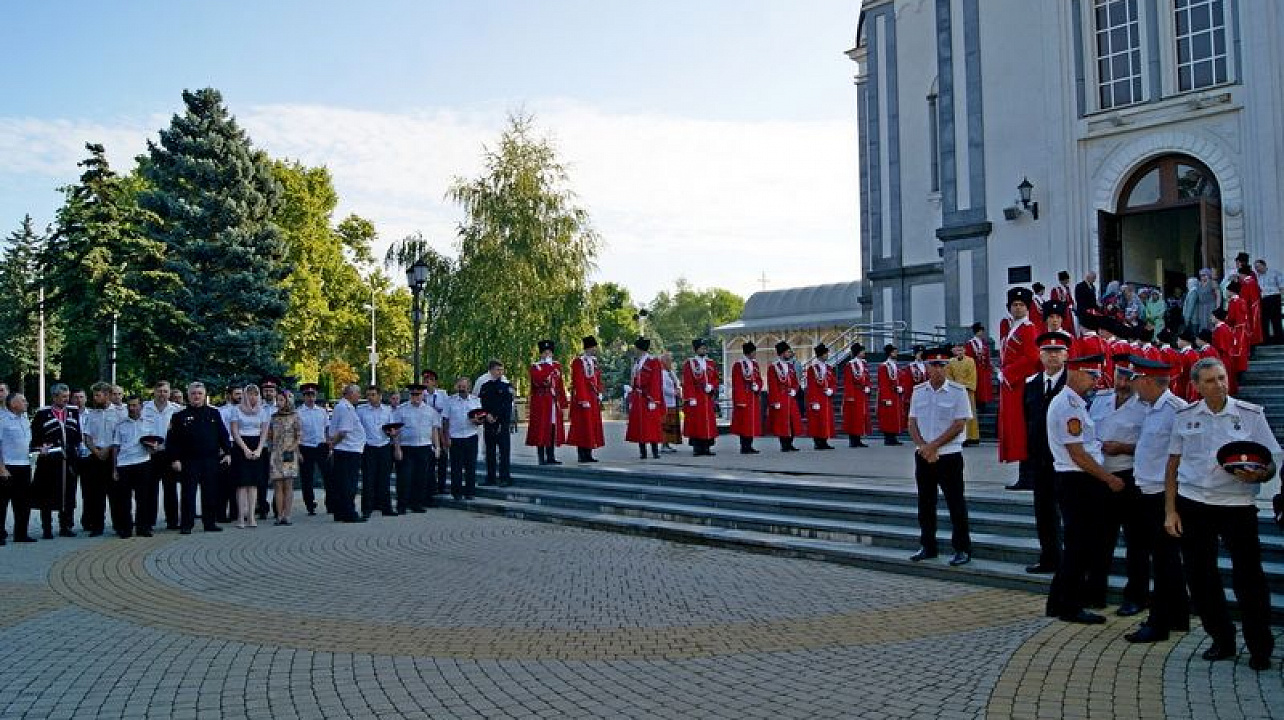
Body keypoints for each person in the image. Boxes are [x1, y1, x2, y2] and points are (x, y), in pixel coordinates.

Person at [1164, 357, 1279, 671]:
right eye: (1211, 380)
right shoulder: (1184, 416)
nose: (1219, 385)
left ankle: (1259, 647)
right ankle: (1222, 638)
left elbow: (1271, 460)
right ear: (1197, 386)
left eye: (1222, 378)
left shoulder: (1250, 415)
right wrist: (1170, 511)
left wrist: (1260, 475)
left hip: (1237, 506)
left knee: (1250, 579)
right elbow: (1173, 464)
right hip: (1193, 504)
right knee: (1201, 578)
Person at [1045, 353, 1125, 624]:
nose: (1095, 381)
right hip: (1078, 480)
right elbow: (1078, 453)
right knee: (1080, 546)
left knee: (1078, 546)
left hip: (1077, 479)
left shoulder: (1074, 402)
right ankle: (1070, 605)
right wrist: (1108, 478)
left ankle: (1058, 601)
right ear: (1076, 373)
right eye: (1091, 375)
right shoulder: (1069, 406)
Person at [1121, 358, 1191, 644]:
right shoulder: (1151, 409)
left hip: (1164, 496)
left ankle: (1158, 622)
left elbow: (1181, 456)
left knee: (1163, 562)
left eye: (1135, 379)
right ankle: (1177, 616)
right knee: (1165, 560)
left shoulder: (1176, 411)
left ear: (1147, 381)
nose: (1131, 385)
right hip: (1147, 492)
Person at [1089, 354, 1149, 616]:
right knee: (1101, 539)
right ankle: (1095, 592)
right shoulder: (1101, 400)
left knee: (1136, 541)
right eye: (1119, 376)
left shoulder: (1146, 406)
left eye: (1128, 378)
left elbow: (1152, 445)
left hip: (1130, 476)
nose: (1122, 383)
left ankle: (1135, 596)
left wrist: (1124, 447)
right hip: (1102, 476)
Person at [907, 346, 974, 566]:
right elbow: (912, 423)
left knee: (956, 503)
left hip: (949, 455)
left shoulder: (957, 391)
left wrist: (934, 446)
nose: (938, 370)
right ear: (926, 367)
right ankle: (928, 545)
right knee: (925, 504)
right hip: (924, 456)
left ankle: (962, 548)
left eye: (942, 365)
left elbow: (959, 424)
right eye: (933, 365)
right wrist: (923, 447)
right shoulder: (919, 391)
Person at [1022, 331, 1070, 575]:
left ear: (1066, 355)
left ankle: (1071, 563)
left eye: (1058, 351)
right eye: (1048, 352)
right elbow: (1028, 419)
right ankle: (1049, 557)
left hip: (1068, 460)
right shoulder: (1031, 384)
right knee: (1044, 511)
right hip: (1041, 460)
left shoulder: (1072, 383)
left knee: (1070, 514)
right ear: (1040, 356)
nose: (1053, 356)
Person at [166, 382, 230, 534]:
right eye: (194, 393)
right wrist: (174, 459)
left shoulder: (214, 413)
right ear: (188, 395)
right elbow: (172, 440)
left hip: (210, 460)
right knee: (188, 494)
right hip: (189, 461)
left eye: (200, 393)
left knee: (210, 493)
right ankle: (187, 524)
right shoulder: (179, 416)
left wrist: (227, 452)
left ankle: (209, 523)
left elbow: (223, 434)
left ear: (204, 395)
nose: (197, 396)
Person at [30, 383, 83, 539]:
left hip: (69, 461)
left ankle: (66, 526)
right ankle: (47, 528)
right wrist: (41, 448)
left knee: (68, 493)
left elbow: (77, 434)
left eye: (68, 396)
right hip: (49, 462)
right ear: (54, 397)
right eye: (64, 397)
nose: (67, 400)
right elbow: (34, 438)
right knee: (46, 495)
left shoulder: (73, 412)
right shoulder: (43, 414)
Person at [1000, 287, 1040, 488]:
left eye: (1021, 305)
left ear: (1028, 308)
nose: (1017, 308)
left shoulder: (1028, 328)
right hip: (1013, 385)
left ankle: (1028, 476)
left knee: (1023, 429)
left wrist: (1008, 372)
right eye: (1014, 305)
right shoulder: (1013, 328)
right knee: (1019, 429)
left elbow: (1032, 357)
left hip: (1022, 384)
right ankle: (1025, 476)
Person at [79, 381, 122, 537]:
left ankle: (119, 525)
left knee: (116, 493)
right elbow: (87, 436)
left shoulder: (118, 413)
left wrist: (108, 449)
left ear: (107, 395)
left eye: (98, 395)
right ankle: (97, 526)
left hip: (113, 456)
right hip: (95, 456)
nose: (95, 398)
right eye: (94, 395)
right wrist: (96, 452)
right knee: (95, 494)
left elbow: (120, 435)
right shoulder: (92, 414)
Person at [109, 396, 154, 538]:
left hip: (143, 462)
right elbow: (116, 447)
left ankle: (143, 528)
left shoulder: (149, 423)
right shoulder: (121, 424)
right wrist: (114, 469)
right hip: (124, 464)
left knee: (143, 498)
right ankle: (125, 528)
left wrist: (153, 447)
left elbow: (154, 443)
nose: (132, 408)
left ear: (141, 406)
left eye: (135, 405)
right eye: (130, 405)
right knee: (124, 499)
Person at [394, 383, 442, 508]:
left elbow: (434, 430)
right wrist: (397, 448)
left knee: (421, 477)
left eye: (418, 394)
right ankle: (402, 504)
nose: (416, 397)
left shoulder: (430, 411)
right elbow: (396, 431)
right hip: (407, 447)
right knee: (405, 478)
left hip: (424, 447)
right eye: (413, 394)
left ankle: (417, 503)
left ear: (423, 395)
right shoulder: (401, 410)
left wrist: (437, 447)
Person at [229, 384, 271, 529]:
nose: (252, 397)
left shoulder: (263, 411)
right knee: (241, 484)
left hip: (257, 446)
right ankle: (241, 517)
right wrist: (245, 449)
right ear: (245, 395)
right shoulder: (236, 410)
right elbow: (234, 432)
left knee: (253, 484)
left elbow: (264, 432)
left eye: (255, 394)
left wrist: (259, 449)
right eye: (250, 394)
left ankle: (252, 517)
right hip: (241, 447)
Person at [142, 380, 182, 530]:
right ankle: (149, 521)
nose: (162, 394)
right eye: (159, 391)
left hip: (168, 453)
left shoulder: (177, 410)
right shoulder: (145, 408)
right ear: (154, 392)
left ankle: (172, 521)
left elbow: (179, 435)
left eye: (165, 391)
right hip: (150, 454)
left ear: (169, 392)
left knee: (170, 488)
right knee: (150, 489)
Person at [1, 393, 36, 544]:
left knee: (23, 502)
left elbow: (26, 443)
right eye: (23, 400)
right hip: (7, 466)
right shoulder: (3, 420)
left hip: (24, 465)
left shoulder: (25, 419)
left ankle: (21, 534)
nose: (26, 403)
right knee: (2, 503)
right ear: (13, 404)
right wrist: (1, 468)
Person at [327, 384, 365, 523]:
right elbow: (343, 431)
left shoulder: (341, 406)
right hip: (348, 450)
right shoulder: (346, 408)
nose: (359, 396)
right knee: (348, 484)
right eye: (358, 393)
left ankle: (340, 512)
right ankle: (349, 512)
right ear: (350, 394)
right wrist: (333, 444)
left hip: (346, 450)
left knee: (341, 483)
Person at [357, 385, 396, 518]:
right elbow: (358, 429)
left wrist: (392, 432)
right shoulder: (361, 411)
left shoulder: (388, 410)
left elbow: (392, 427)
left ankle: (386, 507)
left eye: (373, 394)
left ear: (379, 396)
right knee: (368, 479)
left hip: (384, 446)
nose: (370, 397)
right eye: (368, 395)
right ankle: (367, 509)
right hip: (369, 447)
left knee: (384, 478)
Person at [526, 339, 567, 465]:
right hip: (541, 402)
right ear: (541, 354)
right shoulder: (535, 366)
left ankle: (551, 456)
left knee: (552, 428)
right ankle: (541, 456)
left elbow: (560, 385)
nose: (547, 355)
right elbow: (539, 381)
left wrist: (563, 402)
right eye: (545, 352)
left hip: (553, 402)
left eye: (549, 352)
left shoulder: (557, 366)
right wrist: (548, 368)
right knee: (542, 428)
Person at [443, 376, 482, 500]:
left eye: (464, 387)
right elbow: (445, 420)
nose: (462, 389)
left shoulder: (476, 401)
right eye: (459, 387)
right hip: (455, 437)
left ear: (469, 388)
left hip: (471, 436)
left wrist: (477, 420)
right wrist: (446, 437)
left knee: (471, 466)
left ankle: (470, 492)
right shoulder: (450, 401)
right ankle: (457, 493)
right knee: (456, 467)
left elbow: (481, 418)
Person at [626, 337, 665, 459]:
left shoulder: (653, 362)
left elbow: (656, 381)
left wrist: (653, 399)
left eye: (636, 348)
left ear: (640, 349)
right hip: (638, 397)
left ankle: (655, 451)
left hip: (648, 397)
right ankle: (642, 451)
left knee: (652, 425)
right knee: (640, 425)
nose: (635, 350)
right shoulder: (637, 362)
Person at [567, 337, 605, 462]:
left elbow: (598, 378)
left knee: (592, 425)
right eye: (594, 347)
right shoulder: (578, 361)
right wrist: (583, 399)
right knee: (583, 426)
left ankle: (589, 452)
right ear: (589, 347)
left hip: (593, 397)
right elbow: (578, 380)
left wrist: (599, 392)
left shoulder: (594, 362)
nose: (595, 349)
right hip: (583, 399)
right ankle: (581, 454)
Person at [267, 392, 302, 525]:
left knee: (288, 485)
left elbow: (298, 435)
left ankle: (287, 515)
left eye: (281, 400)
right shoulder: (274, 417)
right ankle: (279, 515)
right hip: (276, 454)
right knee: (278, 485)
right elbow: (269, 435)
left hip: (289, 453)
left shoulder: (294, 416)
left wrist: (293, 447)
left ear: (288, 401)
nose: (279, 402)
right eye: (278, 400)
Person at [477, 361, 514, 484]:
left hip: (502, 424)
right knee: (490, 452)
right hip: (489, 423)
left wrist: (497, 417)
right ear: (491, 370)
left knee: (504, 451)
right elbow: (481, 404)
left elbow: (507, 406)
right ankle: (490, 477)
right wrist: (486, 415)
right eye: (498, 370)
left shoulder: (506, 386)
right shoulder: (485, 387)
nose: (500, 372)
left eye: (501, 370)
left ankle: (505, 477)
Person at [682, 339, 720, 456]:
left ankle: (707, 447)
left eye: (705, 348)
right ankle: (697, 448)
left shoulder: (710, 363)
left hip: (707, 397)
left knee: (708, 423)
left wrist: (712, 386)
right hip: (697, 396)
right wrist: (691, 397)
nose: (704, 350)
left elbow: (715, 378)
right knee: (697, 423)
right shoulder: (690, 363)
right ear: (696, 349)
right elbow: (687, 381)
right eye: (701, 348)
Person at [296, 383, 329, 516]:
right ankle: (310, 504)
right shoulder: (298, 413)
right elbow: (296, 432)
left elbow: (327, 429)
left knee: (328, 476)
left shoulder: (322, 411)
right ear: (303, 397)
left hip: (321, 446)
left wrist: (329, 445)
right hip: (306, 447)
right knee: (307, 478)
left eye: (312, 395)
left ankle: (330, 503)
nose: (310, 398)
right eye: (307, 395)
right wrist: (298, 451)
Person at [766, 341, 804, 452]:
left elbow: (795, 381)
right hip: (781, 397)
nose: (790, 353)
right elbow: (772, 385)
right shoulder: (773, 367)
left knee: (793, 421)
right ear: (782, 353)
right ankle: (784, 444)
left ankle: (790, 442)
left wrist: (795, 390)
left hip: (790, 397)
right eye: (788, 351)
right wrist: (775, 401)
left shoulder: (790, 366)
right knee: (782, 422)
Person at [730, 341, 762, 454]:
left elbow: (758, 378)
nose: (755, 354)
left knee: (752, 423)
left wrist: (757, 386)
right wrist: (740, 400)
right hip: (744, 396)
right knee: (744, 423)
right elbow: (737, 383)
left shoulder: (755, 364)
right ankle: (744, 446)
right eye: (754, 351)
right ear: (749, 352)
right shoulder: (739, 365)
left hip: (752, 396)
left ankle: (750, 445)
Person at [422, 371, 450, 495]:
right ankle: (430, 487)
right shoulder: (421, 395)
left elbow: (446, 413)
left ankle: (442, 485)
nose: (427, 382)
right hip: (427, 430)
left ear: (435, 382)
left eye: (430, 379)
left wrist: (445, 434)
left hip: (440, 429)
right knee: (430, 461)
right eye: (425, 379)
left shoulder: (442, 395)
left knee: (443, 458)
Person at [804, 344, 836, 451]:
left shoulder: (829, 367)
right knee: (817, 421)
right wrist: (814, 401)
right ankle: (817, 442)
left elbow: (833, 382)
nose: (827, 355)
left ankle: (824, 440)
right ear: (821, 355)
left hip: (826, 397)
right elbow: (811, 386)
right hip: (818, 397)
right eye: (826, 353)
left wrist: (831, 389)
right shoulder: (812, 369)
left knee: (826, 420)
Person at [947, 342, 979, 446]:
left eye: (961, 350)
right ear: (955, 351)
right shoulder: (951, 362)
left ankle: (971, 436)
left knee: (969, 413)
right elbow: (948, 375)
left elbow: (972, 375)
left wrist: (965, 385)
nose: (960, 352)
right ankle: (959, 435)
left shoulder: (970, 361)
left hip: (967, 391)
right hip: (955, 391)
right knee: (958, 414)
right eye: (958, 350)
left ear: (965, 350)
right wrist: (953, 385)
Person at [842, 343, 872, 448]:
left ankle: (858, 438)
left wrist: (868, 386)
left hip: (862, 393)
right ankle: (853, 440)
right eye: (862, 351)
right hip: (854, 393)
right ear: (858, 352)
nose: (864, 353)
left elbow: (867, 377)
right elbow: (848, 381)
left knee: (861, 417)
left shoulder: (864, 364)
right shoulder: (850, 365)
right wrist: (850, 396)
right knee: (853, 417)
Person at [877, 343, 904, 445]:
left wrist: (901, 387)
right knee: (888, 417)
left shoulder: (895, 365)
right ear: (889, 353)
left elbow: (900, 379)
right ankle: (888, 438)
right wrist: (886, 398)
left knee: (894, 417)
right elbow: (883, 383)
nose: (896, 354)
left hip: (895, 394)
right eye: (894, 352)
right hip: (888, 395)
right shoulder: (884, 366)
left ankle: (893, 437)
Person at [1233, 253, 1263, 347]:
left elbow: (1249, 292)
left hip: (1248, 306)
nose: (1236, 264)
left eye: (1238, 262)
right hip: (1244, 304)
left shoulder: (1250, 277)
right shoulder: (1244, 276)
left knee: (1249, 327)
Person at [966, 323, 994, 410]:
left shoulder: (984, 343)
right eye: (980, 331)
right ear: (976, 332)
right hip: (975, 368)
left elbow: (987, 357)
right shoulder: (971, 343)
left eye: (982, 331)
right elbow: (969, 357)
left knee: (984, 387)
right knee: (978, 387)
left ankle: (984, 402)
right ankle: (978, 403)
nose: (982, 333)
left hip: (984, 369)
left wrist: (989, 367)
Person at [1254, 258, 1283, 344]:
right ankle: (1266, 339)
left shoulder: (1274, 273)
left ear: (1264, 265)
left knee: (1276, 319)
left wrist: (1281, 298)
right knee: (1264, 320)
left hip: (1274, 297)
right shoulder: (1257, 276)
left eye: (1258, 267)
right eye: (1256, 267)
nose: (1257, 269)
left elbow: (1281, 286)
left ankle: (1279, 339)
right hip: (1263, 299)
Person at [659, 351, 682, 453]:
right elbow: (663, 388)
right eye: (668, 360)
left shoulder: (671, 372)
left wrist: (679, 389)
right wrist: (674, 392)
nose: (670, 362)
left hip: (673, 402)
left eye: (671, 360)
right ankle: (664, 444)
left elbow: (677, 382)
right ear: (663, 361)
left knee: (671, 424)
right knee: (666, 424)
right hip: (666, 401)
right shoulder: (661, 373)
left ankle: (668, 443)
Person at [1050, 271, 1077, 336]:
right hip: (1061, 312)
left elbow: (1070, 299)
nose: (1068, 281)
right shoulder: (1056, 290)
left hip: (1068, 311)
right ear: (1062, 280)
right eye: (1066, 280)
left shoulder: (1067, 288)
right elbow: (1054, 302)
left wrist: (1073, 305)